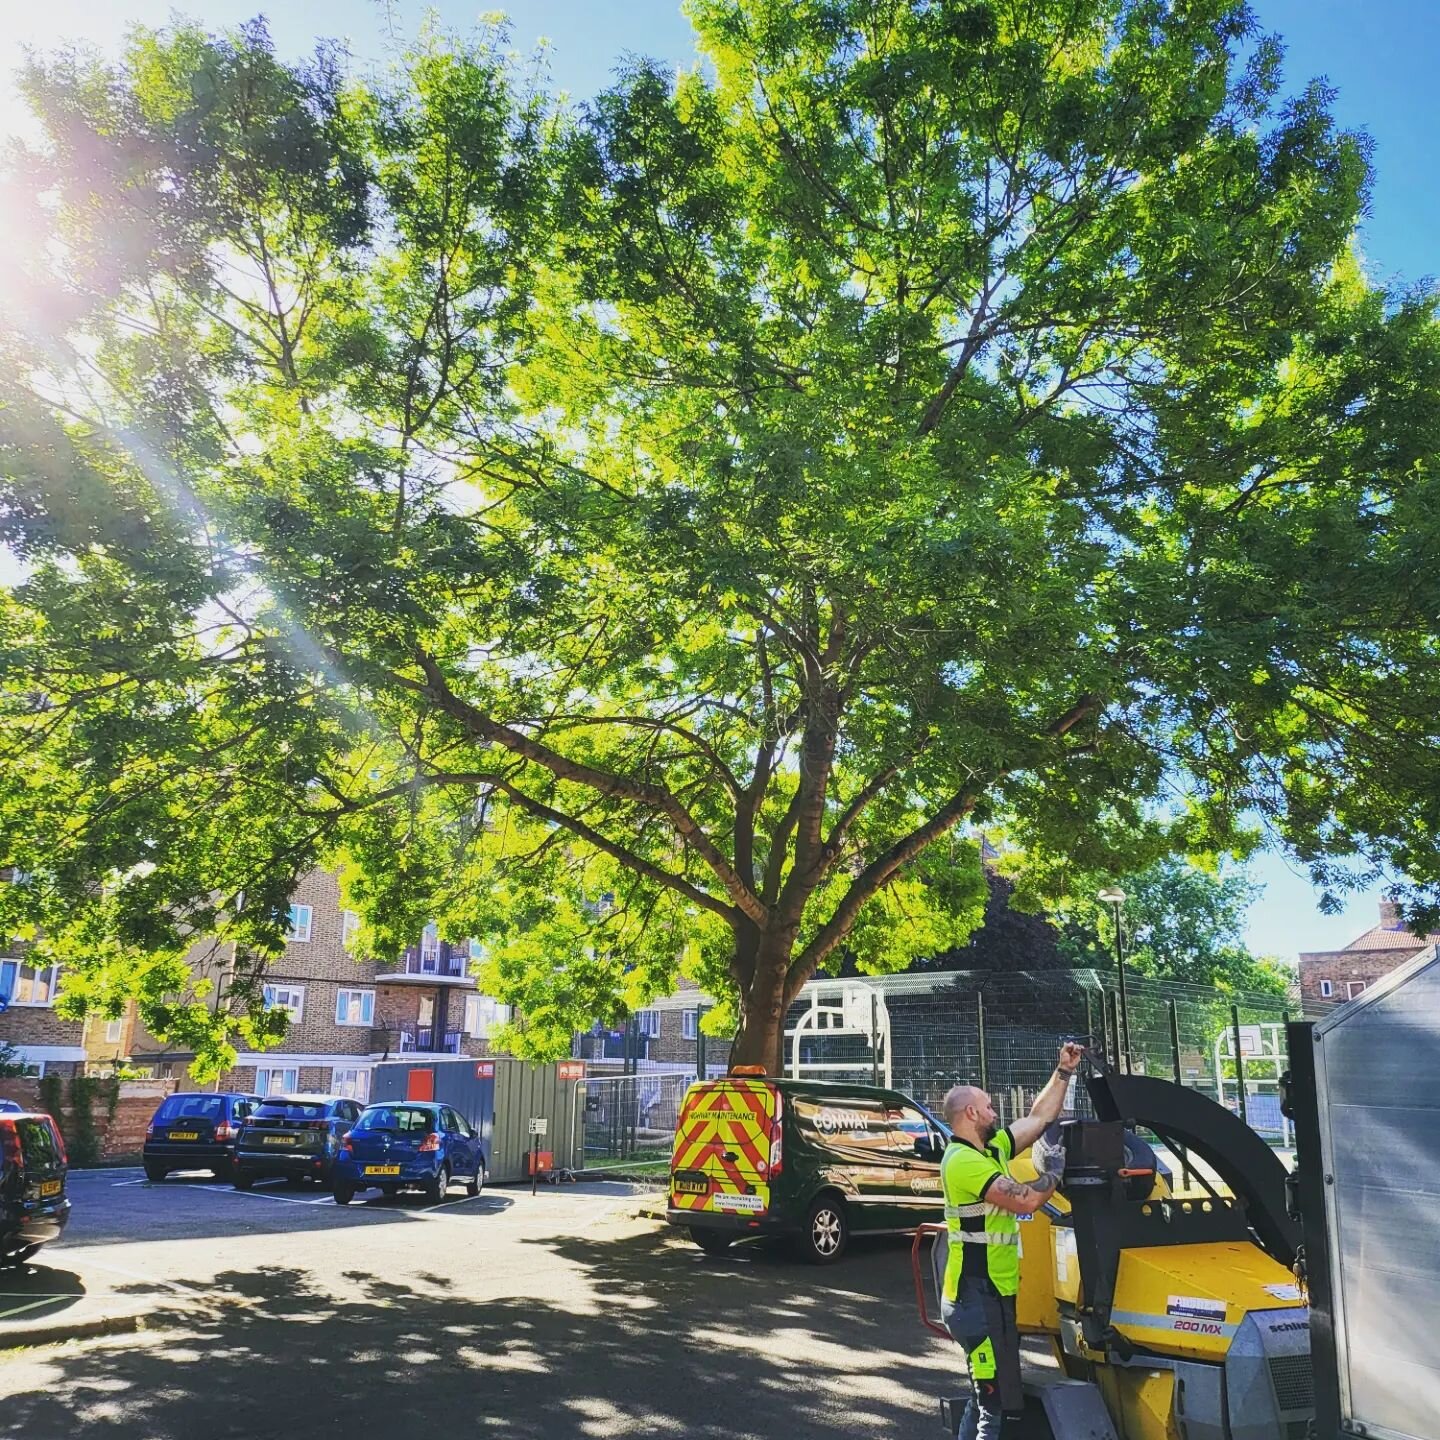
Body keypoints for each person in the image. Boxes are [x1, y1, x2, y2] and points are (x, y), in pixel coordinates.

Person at [939, 1043, 1085, 1440]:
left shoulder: (991, 1150)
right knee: (996, 1407)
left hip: (991, 1296)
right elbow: (1030, 1198)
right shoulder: (964, 1162)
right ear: (971, 1113)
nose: (994, 1112)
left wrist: (1063, 1071)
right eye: (988, 1106)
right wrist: (1053, 1170)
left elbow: (1038, 1117)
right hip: (974, 1301)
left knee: (984, 1399)